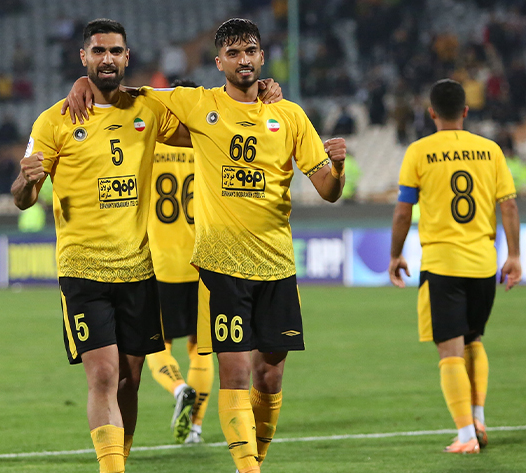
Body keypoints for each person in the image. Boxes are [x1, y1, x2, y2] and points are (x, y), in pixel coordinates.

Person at [64, 18, 346, 473]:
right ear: (219, 63)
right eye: (232, 54)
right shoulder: (198, 106)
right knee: (228, 369)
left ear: (261, 56)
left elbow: (329, 190)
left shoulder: (290, 115)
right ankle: (245, 467)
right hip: (218, 264)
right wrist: (84, 79)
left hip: (276, 264)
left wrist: (338, 168)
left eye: (250, 51)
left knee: (269, 373)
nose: (243, 59)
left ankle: (243, 449)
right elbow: (122, 91)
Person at [16, 19, 282, 473]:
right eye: (97, 52)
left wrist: (258, 100)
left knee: (129, 380)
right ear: (84, 57)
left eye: (115, 52)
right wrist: (26, 179)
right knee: (102, 374)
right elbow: (23, 199)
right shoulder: (53, 120)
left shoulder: (146, 110)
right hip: (82, 271)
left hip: (141, 270)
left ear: (127, 57)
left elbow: (211, 131)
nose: (107, 59)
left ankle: (124, 456)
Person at [389, 79, 521, 454]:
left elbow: (403, 211)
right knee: (474, 340)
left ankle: (465, 436)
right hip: (483, 263)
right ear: (466, 111)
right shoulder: (490, 150)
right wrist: (514, 255)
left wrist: (395, 254)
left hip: (442, 264)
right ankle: (478, 417)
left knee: (450, 351)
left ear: (431, 113)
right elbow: (508, 206)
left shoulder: (418, 151)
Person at [143, 79, 214, 445]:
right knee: (201, 349)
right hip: (203, 263)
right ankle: (196, 428)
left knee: (157, 345)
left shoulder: (148, 143)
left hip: (159, 263)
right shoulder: (208, 143)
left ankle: (177, 388)